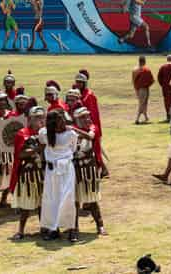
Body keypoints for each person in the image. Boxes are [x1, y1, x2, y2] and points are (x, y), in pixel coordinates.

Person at [39, 110, 78, 242]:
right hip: (51, 170)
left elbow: (73, 149)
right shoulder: (44, 133)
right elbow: (42, 148)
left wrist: (62, 160)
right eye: (59, 120)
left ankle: (71, 229)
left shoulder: (71, 134)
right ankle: (53, 229)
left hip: (66, 169)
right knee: (52, 199)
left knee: (68, 198)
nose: (63, 122)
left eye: (63, 119)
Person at [10, 106, 46, 240]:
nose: (40, 121)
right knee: (27, 205)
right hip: (29, 173)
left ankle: (44, 228)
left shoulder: (46, 132)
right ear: (30, 119)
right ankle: (21, 230)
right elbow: (20, 154)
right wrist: (37, 148)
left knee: (43, 203)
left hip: (43, 172)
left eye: (42, 117)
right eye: (37, 118)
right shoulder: (22, 133)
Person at [71, 107, 108, 236]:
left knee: (92, 199)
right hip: (75, 169)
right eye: (83, 117)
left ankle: (100, 225)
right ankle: (74, 227)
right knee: (75, 200)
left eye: (88, 116)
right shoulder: (71, 133)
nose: (87, 119)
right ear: (77, 119)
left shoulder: (92, 127)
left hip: (89, 169)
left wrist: (73, 130)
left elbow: (90, 136)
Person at [74, 72, 109, 178]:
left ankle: (103, 169)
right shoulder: (79, 94)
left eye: (80, 82)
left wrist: (92, 129)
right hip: (83, 127)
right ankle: (103, 169)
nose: (78, 84)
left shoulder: (89, 95)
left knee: (95, 150)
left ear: (85, 83)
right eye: (77, 82)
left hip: (92, 127)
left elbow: (92, 113)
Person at [132, 56, 154, 124]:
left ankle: (146, 117)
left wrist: (135, 88)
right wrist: (148, 84)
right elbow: (152, 80)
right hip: (144, 88)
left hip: (137, 88)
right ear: (144, 61)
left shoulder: (134, 69)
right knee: (142, 103)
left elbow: (133, 80)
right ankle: (137, 119)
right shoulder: (146, 69)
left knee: (143, 102)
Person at [157, 55, 171, 122]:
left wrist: (163, 85)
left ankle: (168, 117)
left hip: (165, 88)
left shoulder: (163, 67)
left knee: (167, 102)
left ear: (167, 59)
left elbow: (159, 77)